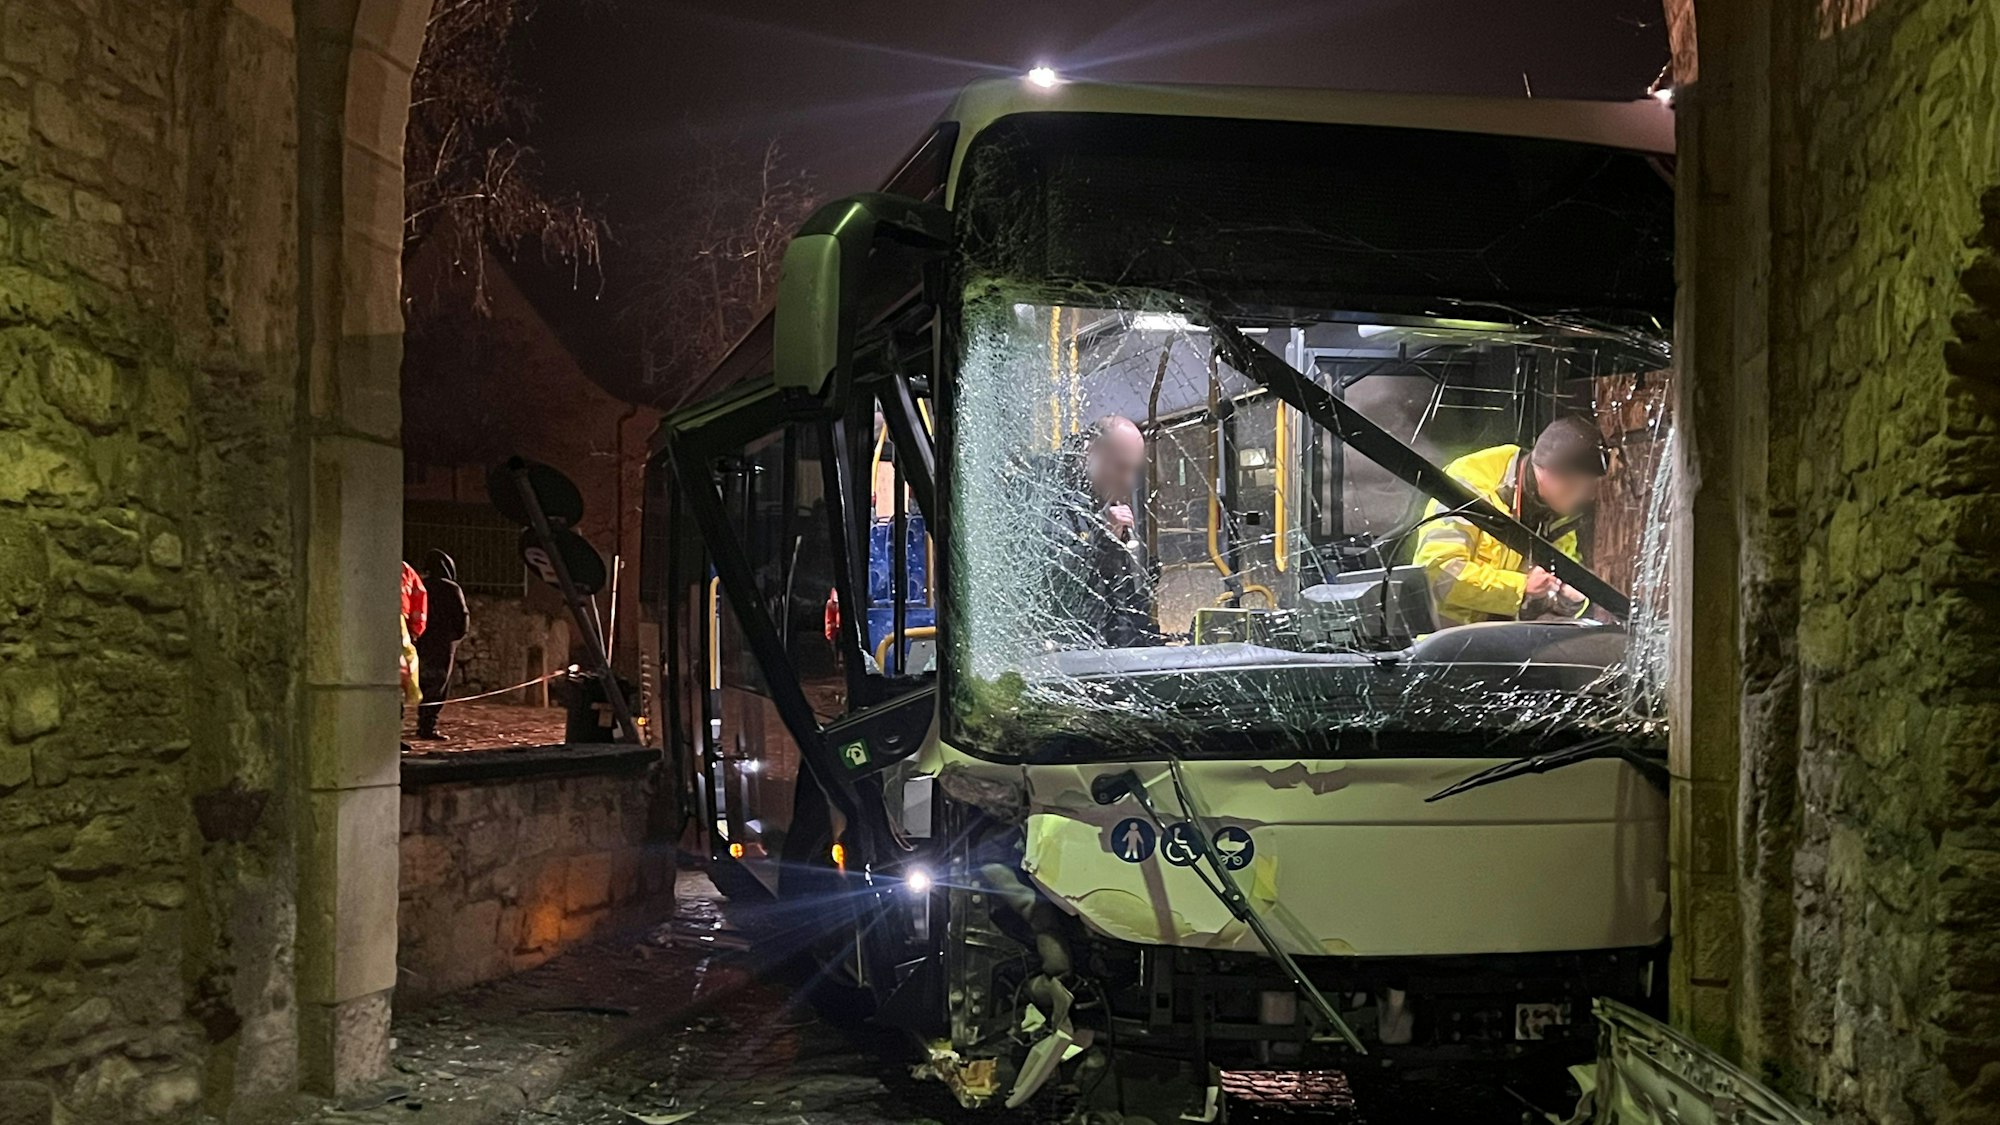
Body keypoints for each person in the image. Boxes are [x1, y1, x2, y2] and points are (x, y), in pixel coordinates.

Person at [1412, 415, 1610, 627]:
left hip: (1506, 645)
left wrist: (1570, 600)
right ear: (1554, 476)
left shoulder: (1558, 515)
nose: (1590, 497)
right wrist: (1520, 587)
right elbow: (1439, 575)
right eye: (1586, 486)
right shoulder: (1470, 486)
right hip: (1443, 646)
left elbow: (1551, 605)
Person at [1047, 415, 1157, 647]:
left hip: (1109, 648)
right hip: (1069, 652)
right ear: (1091, 454)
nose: (1128, 480)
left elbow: (1117, 594)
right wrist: (1102, 537)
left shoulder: (1106, 503)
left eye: (1133, 470)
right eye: (1120, 468)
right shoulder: (1050, 494)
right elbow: (1055, 585)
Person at [414, 550, 469, 739]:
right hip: (442, 644)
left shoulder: (420, 584)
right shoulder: (451, 588)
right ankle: (427, 726)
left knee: (416, 682)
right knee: (437, 685)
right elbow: (462, 617)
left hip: (418, 641)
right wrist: (455, 637)